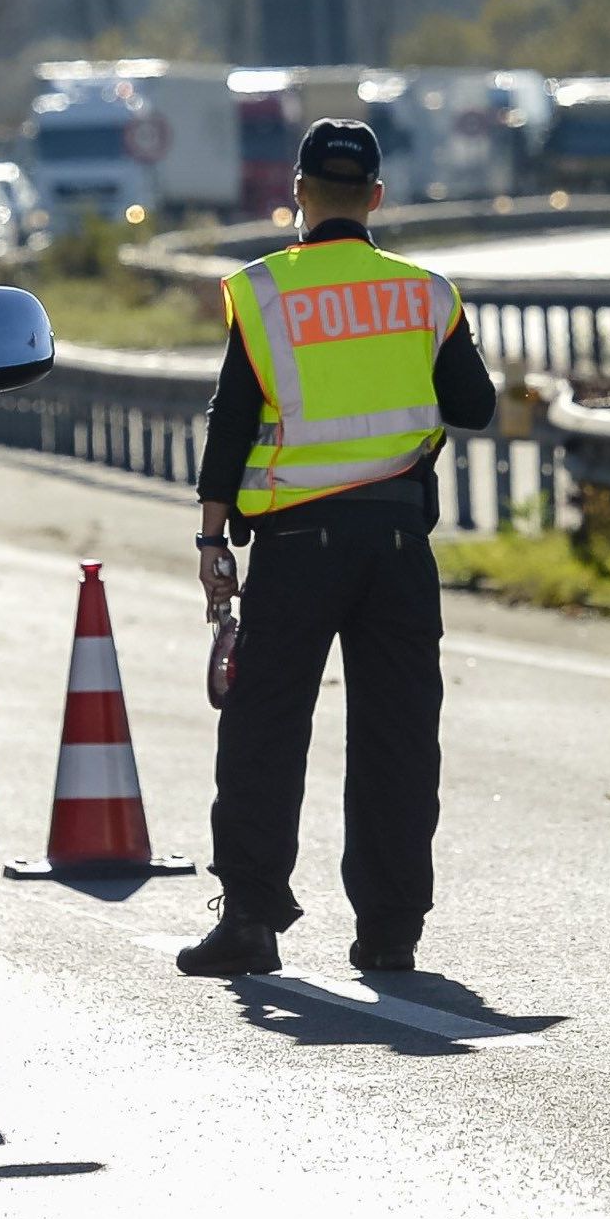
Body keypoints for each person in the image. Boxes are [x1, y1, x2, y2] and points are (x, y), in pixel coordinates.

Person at [177, 118, 497, 981]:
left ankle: (251, 919)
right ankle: (390, 932)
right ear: (378, 199)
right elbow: (475, 406)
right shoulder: (427, 295)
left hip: (297, 543)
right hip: (397, 543)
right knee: (397, 736)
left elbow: (232, 421)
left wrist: (213, 539)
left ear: (299, 195)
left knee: (266, 728)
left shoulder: (266, 292)